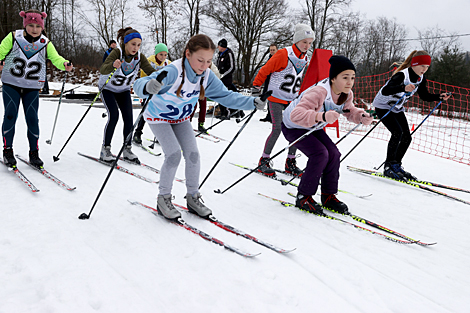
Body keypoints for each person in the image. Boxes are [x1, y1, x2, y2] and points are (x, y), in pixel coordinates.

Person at [133, 34, 267, 221]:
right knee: (173, 154)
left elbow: (226, 96)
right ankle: (163, 198)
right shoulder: (174, 71)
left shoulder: (206, 75)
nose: (204, 66)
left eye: (209, 61)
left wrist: (252, 102)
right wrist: (148, 86)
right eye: (200, 60)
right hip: (159, 116)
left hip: (180, 118)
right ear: (188, 54)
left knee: (193, 154)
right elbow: (138, 84)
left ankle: (192, 197)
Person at [282, 55, 374, 215]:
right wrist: (322, 117)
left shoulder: (347, 94)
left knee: (333, 154)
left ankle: (328, 196)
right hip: (293, 127)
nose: (349, 82)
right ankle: (304, 196)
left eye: (352, 77)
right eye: (345, 77)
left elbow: (349, 110)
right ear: (333, 78)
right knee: (320, 154)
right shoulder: (319, 92)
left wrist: (361, 116)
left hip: (314, 127)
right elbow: (295, 115)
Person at [0, 10, 73, 168]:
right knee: (11, 115)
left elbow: (56, 58)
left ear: (42, 27)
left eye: (37, 26)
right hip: (11, 83)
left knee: (32, 118)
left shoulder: (45, 43)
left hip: (32, 86)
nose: (34, 29)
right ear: (25, 25)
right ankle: (8, 150)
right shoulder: (13, 37)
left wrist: (65, 64)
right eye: (31, 25)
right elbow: (1, 50)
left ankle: (34, 152)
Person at [372, 50, 451, 181]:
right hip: (383, 106)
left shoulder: (421, 78)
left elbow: (424, 96)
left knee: (407, 137)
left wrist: (439, 97)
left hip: (396, 108)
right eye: (422, 66)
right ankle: (388, 167)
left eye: (427, 67)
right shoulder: (402, 75)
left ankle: (396, 165)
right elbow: (386, 90)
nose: (424, 70)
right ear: (414, 64)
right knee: (397, 132)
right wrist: (403, 88)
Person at [252, 24, 314, 177]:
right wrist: (256, 86)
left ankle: (290, 162)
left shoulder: (305, 57)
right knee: (277, 129)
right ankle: (264, 160)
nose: (307, 46)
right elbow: (265, 69)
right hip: (276, 97)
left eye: (310, 43)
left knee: (296, 130)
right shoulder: (283, 53)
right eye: (304, 42)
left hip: (292, 100)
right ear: (297, 40)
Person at [98, 27, 156, 164]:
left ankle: (127, 149)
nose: (136, 47)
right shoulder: (116, 53)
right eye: (133, 44)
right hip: (107, 89)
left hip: (123, 90)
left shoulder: (139, 57)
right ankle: (105, 149)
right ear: (126, 43)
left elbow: (151, 71)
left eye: (138, 45)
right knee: (114, 115)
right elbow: (103, 69)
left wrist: (164, 77)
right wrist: (113, 64)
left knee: (129, 118)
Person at [133, 43, 172, 144]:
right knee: (146, 112)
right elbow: (143, 77)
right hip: (150, 91)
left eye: (165, 55)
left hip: (162, 92)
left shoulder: (168, 63)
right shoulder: (149, 61)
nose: (163, 57)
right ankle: (137, 133)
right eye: (161, 55)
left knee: (160, 114)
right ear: (156, 54)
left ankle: (159, 135)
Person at [190, 61, 220, 133]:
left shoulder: (211, 65)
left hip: (203, 89)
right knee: (193, 106)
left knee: (203, 106)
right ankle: (188, 122)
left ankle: (201, 124)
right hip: (195, 88)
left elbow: (217, 75)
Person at [215, 38, 241, 119]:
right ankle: (222, 112)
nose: (218, 47)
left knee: (225, 96)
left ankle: (227, 112)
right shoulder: (219, 54)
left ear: (222, 46)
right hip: (219, 79)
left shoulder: (228, 53)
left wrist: (223, 74)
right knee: (219, 95)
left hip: (226, 80)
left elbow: (232, 67)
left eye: (219, 46)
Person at [259, 44, 278, 123]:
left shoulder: (279, 58)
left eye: (273, 50)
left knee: (274, 99)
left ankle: (273, 116)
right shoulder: (269, 58)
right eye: (271, 50)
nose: (272, 51)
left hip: (275, 82)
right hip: (268, 81)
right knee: (267, 97)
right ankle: (268, 115)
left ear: (276, 50)